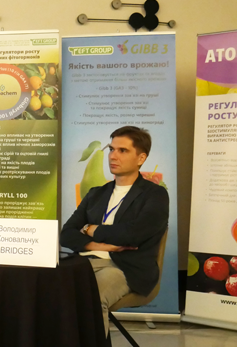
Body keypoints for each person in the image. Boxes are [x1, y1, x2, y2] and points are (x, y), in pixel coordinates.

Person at [60, 126, 168, 337]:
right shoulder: (96, 193)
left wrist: (90, 229)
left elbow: (132, 234)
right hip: (84, 262)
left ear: (141, 158)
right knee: (47, 290)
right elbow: (66, 234)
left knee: (91, 296)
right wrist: (98, 245)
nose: (112, 156)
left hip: (125, 267)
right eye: (111, 149)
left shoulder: (155, 195)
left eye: (122, 150)